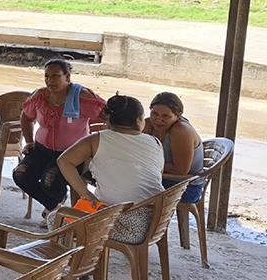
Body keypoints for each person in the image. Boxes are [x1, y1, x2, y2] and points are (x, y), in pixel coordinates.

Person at [57, 95, 166, 244]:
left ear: (108, 120)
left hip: (125, 225)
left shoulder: (97, 139)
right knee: (87, 213)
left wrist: (85, 193)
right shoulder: (155, 142)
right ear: (138, 121)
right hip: (156, 222)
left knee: (57, 218)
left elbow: (64, 161)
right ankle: (88, 262)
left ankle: (75, 265)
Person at [13, 58, 106, 222]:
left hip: (72, 154)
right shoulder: (39, 96)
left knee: (50, 180)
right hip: (42, 149)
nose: (50, 81)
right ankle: (55, 207)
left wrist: (95, 149)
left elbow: (108, 117)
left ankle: (55, 210)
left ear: (67, 77)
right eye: (47, 77)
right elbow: (26, 117)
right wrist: (28, 141)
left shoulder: (83, 97)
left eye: (55, 76)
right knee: (20, 175)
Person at [145, 91, 206, 236]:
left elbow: (181, 170)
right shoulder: (148, 124)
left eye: (165, 116)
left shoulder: (181, 130)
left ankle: (144, 235)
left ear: (177, 116)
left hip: (186, 187)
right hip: (162, 178)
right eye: (154, 114)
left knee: (132, 188)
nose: (158, 120)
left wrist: (148, 165)